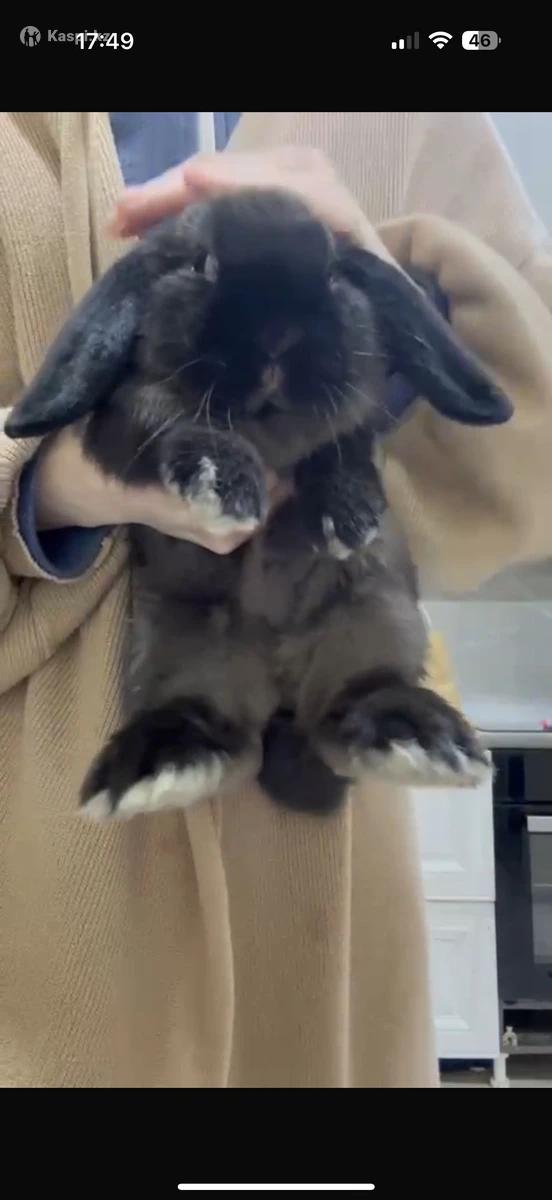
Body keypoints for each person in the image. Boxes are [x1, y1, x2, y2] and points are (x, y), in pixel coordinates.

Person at [1, 112, 552, 1088]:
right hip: (45, 876)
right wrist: (53, 482)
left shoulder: (415, 113)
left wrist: (377, 302)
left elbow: (529, 460)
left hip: (330, 869)